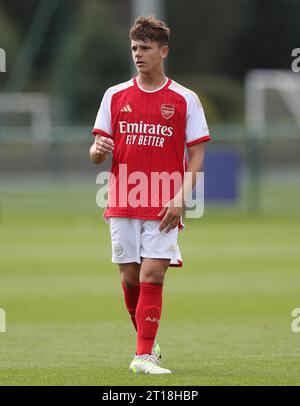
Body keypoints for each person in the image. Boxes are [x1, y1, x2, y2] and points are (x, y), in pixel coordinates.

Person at [90, 16, 211, 374]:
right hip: (122, 200)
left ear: (163, 51)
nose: (138, 55)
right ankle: (148, 344)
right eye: (134, 48)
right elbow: (96, 154)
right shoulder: (114, 95)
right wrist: (97, 148)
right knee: (129, 279)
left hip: (163, 203)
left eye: (145, 48)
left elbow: (198, 155)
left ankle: (142, 355)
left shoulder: (185, 99)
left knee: (152, 276)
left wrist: (181, 198)